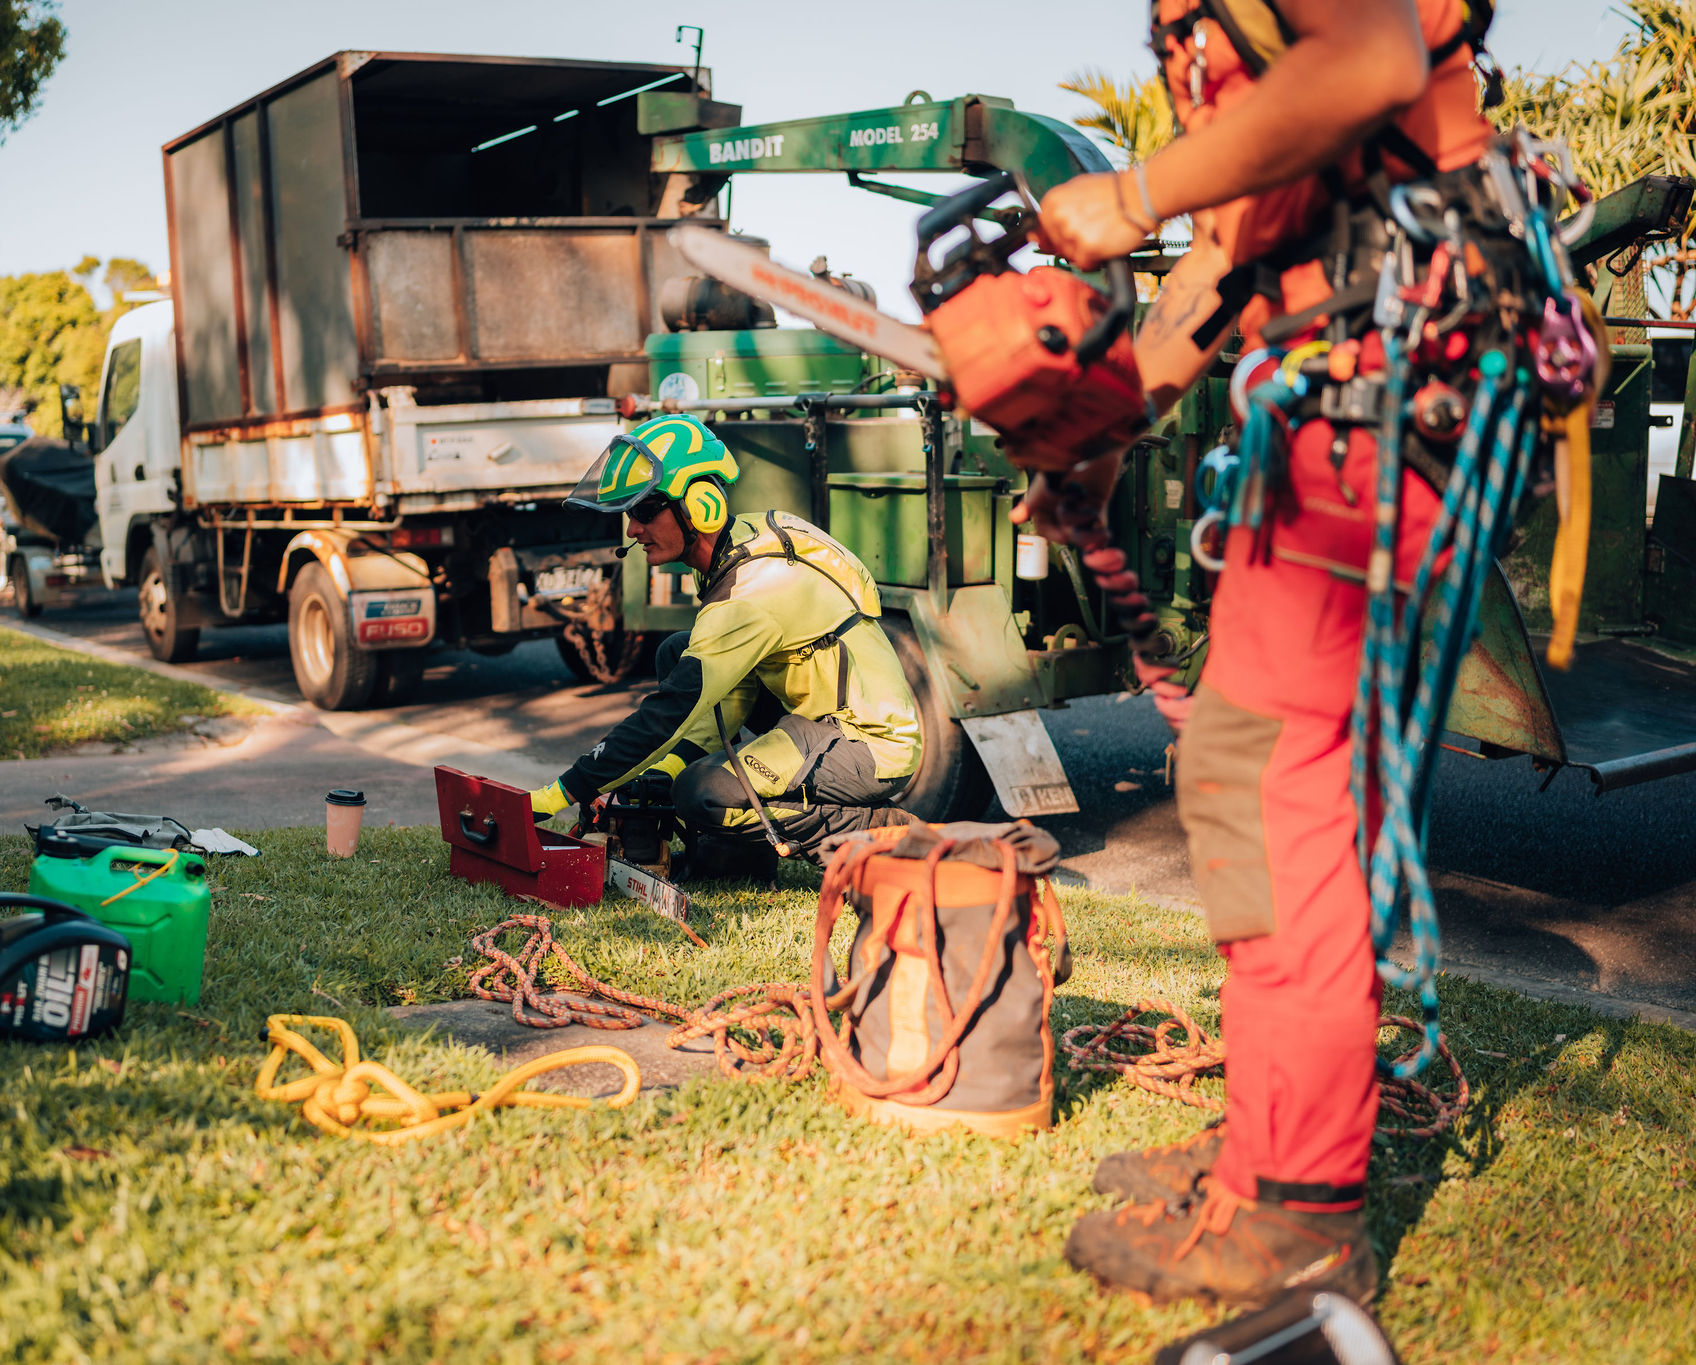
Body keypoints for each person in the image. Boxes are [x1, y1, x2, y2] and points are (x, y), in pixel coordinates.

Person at [1018, 0, 1500, 1308]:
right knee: (1241, 787)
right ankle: (1266, 1137)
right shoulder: (1228, 53)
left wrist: (1132, 189)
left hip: (1377, 418)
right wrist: (1092, 449)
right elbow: (1207, 282)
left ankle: (1300, 1204)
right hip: (1326, 423)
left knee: (1273, 791)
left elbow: (1378, 57)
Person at [527, 414, 922, 879]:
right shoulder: (738, 547)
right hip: (818, 720)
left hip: (869, 744)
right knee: (678, 652)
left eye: (645, 511)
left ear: (702, 507)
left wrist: (558, 794)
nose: (632, 529)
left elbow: (672, 709)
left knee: (704, 792)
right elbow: (733, 693)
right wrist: (665, 771)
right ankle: (725, 835)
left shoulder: (752, 592)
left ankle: (880, 830)